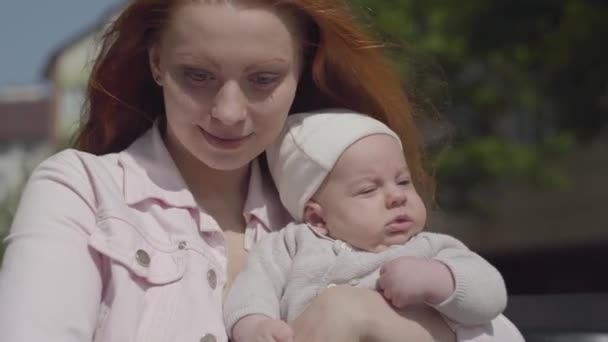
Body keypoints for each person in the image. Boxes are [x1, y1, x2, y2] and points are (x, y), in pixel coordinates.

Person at [0, 0, 522, 341]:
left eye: (263, 79)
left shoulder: (342, 203)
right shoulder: (84, 191)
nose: (229, 112)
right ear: (156, 63)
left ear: (303, 69)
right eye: (197, 75)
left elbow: (496, 328)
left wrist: (360, 317)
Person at [224, 110, 518, 342]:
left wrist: (438, 280)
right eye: (368, 190)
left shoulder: (429, 248)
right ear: (317, 218)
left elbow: (491, 295)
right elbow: (253, 288)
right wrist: (253, 324)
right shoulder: (288, 245)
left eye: (403, 181)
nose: (397, 196)